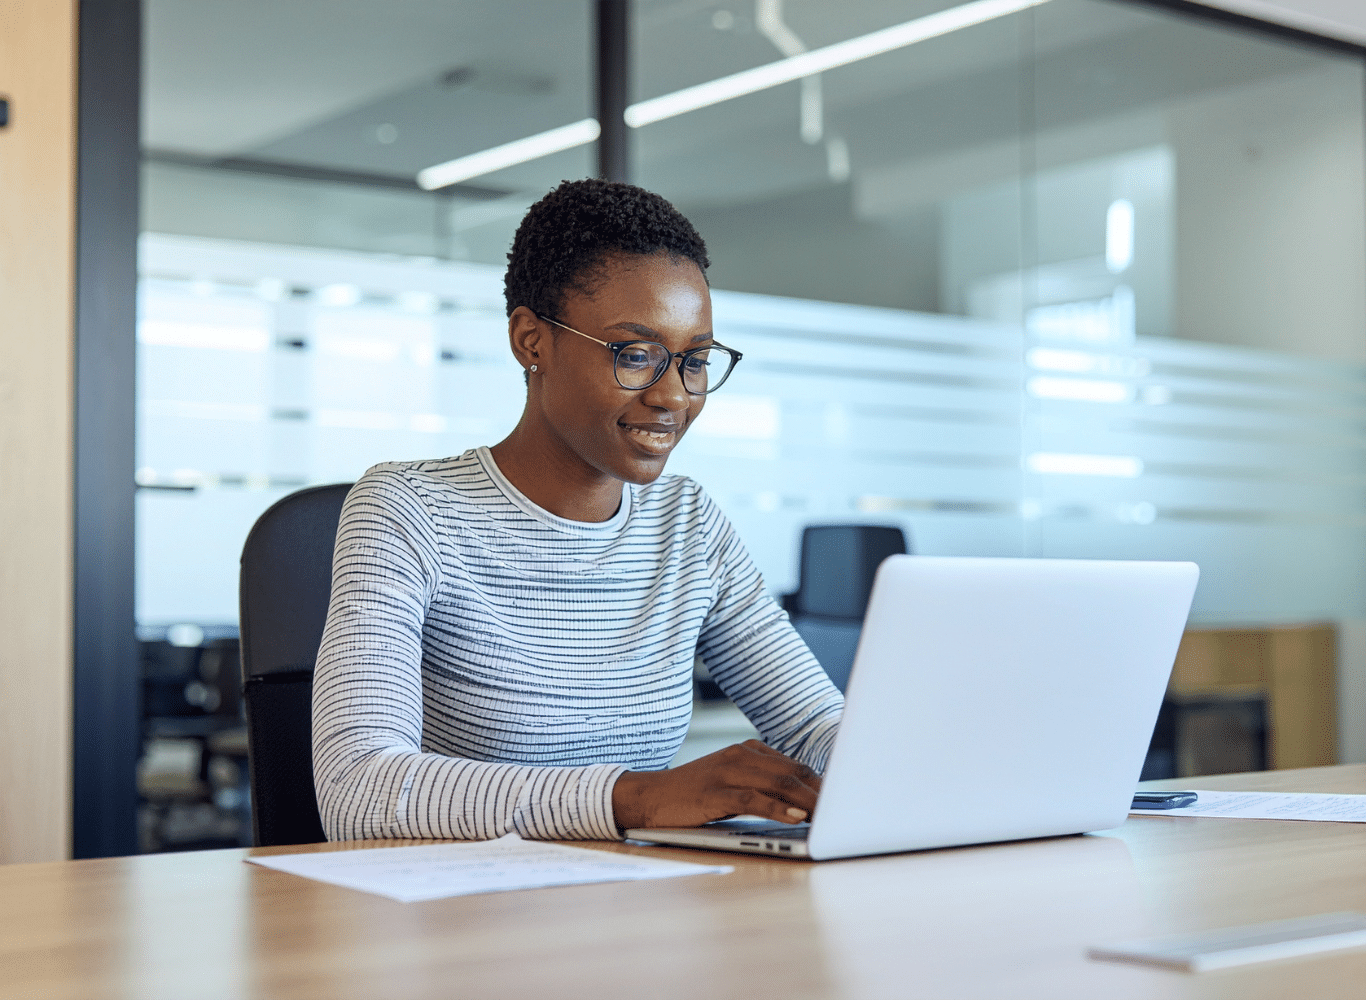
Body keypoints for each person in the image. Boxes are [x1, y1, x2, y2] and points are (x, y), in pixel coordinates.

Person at [312, 178, 843, 842]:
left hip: (637, 912)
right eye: (635, 354)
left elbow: (817, 727)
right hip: (459, 921)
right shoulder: (409, 512)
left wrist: (914, 769)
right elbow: (356, 787)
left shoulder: (688, 524)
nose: (675, 396)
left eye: (696, 360)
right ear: (531, 341)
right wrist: (636, 799)